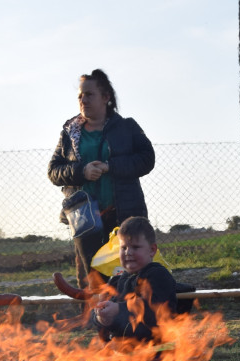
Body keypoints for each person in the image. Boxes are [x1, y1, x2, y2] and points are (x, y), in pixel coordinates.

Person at [48, 69, 155, 289]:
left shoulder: (127, 127)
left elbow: (147, 159)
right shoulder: (69, 133)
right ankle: (95, 320)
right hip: (85, 219)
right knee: (91, 277)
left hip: (123, 213)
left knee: (128, 272)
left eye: (89, 94)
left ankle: (132, 317)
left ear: (106, 97)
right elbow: (54, 171)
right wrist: (81, 172)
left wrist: (111, 167)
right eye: (80, 96)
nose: (83, 100)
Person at [89, 216, 176, 343]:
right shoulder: (117, 280)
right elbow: (103, 310)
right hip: (124, 352)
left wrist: (119, 309)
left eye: (135, 247)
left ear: (152, 250)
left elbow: (157, 310)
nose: (128, 252)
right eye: (123, 247)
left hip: (156, 352)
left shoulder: (158, 275)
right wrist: (101, 317)